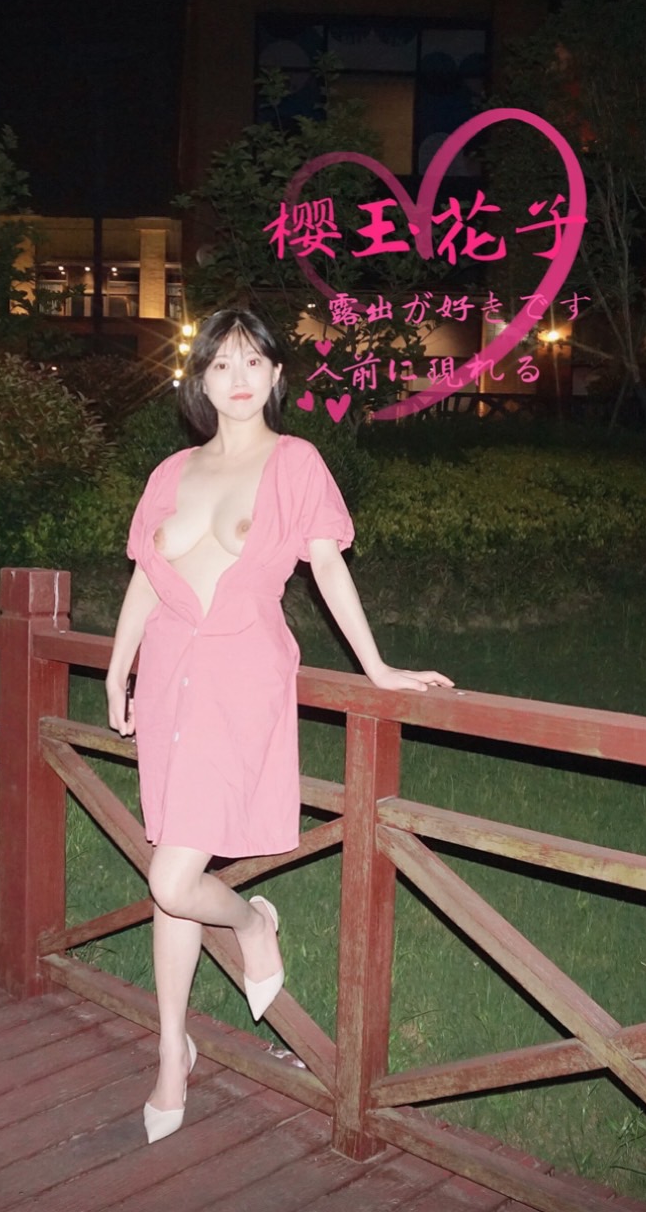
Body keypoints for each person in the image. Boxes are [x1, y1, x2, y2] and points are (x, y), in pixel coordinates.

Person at [104, 307, 452, 1144]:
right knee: (174, 866)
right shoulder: (170, 472)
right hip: (169, 680)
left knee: (173, 878)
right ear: (199, 379)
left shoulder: (295, 462)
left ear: (275, 375)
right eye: (221, 364)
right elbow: (148, 577)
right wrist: (117, 668)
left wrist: (377, 667)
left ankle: (254, 924)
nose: (238, 378)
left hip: (242, 678)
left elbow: (328, 567)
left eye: (253, 362)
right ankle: (170, 1051)